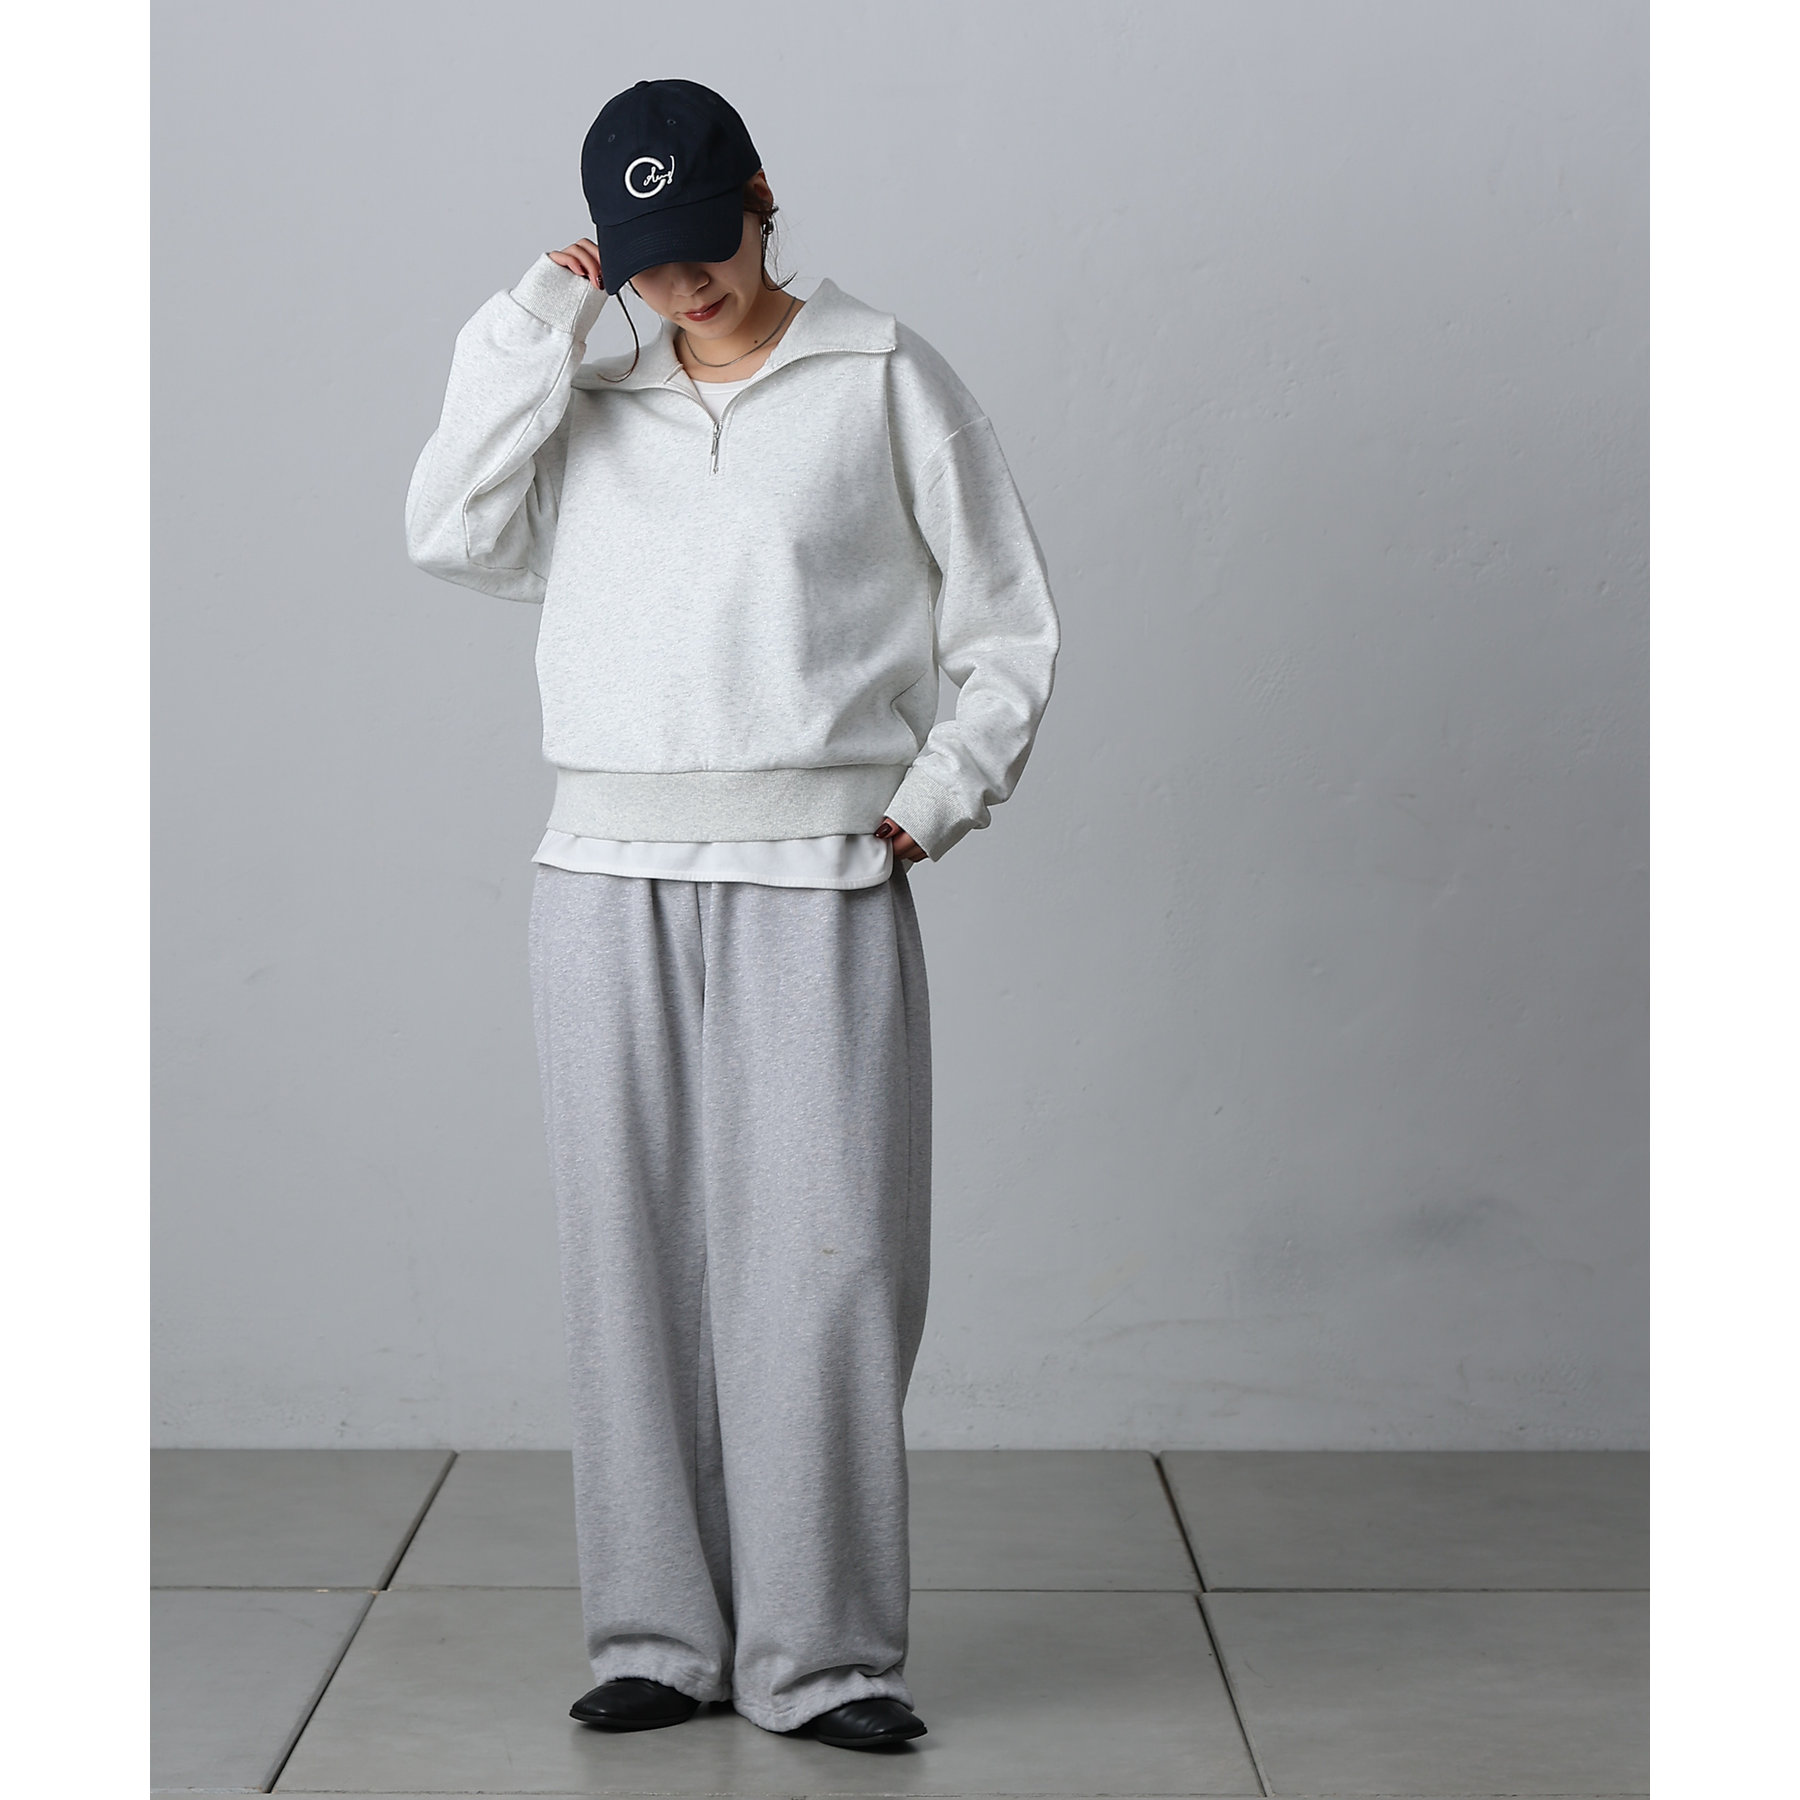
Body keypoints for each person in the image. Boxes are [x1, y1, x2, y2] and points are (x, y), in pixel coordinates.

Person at [404, 77, 1059, 1755]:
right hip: (601, 872)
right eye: (645, 257)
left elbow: (1006, 625)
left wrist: (937, 797)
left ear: (762, 195)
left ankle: (822, 1657)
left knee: (827, 1270)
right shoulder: (585, 389)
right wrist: (539, 317)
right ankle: (658, 1637)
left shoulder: (884, 375)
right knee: (629, 1264)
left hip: (818, 871)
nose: (684, 282)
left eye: (705, 240)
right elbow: (450, 531)